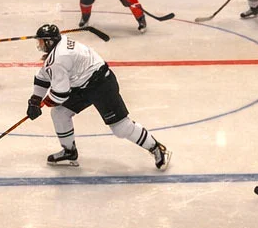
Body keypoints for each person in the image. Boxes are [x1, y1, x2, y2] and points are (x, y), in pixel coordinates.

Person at [26, 24, 169, 170]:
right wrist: (35, 101)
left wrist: (42, 104)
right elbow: (43, 78)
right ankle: (69, 152)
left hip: (101, 85)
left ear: (50, 42)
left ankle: (157, 148)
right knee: (60, 113)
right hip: (83, 83)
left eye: (41, 41)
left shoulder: (58, 59)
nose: (39, 45)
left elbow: (60, 94)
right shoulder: (59, 45)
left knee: (121, 128)